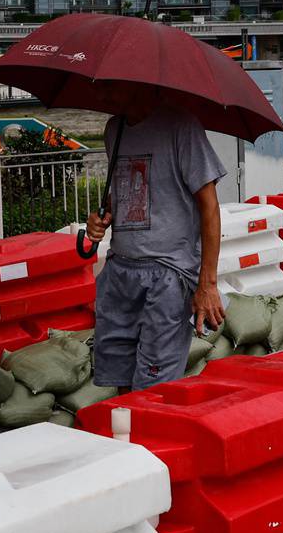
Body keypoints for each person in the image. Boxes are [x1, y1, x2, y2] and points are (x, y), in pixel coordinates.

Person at [83, 83, 227, 391]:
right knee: (119, 378)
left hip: (168, 274)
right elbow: (129, 192)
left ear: (137, 84)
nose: (102, 94)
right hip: (120, 271)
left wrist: (208, 284)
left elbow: (210, 206)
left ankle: (152, 439)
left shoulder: (181, 127)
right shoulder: (114, 129)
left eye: (111, 86)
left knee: (154, 386)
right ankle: (127, 439)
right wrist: (101, 219)